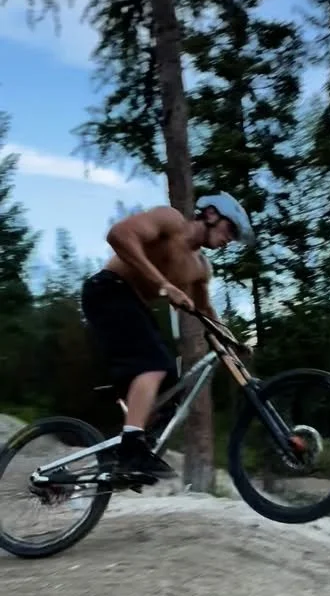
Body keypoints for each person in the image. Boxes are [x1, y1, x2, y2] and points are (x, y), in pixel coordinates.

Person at [81, 192, 254, 482]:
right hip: (107, 290)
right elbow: (118, 235)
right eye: (230, 229)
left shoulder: (200, 268)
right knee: (153, 364)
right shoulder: (170, 221)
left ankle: (129, 451)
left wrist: (232, 342)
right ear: (211, 214)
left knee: (171, 384)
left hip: (135, 305)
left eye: (234, 237)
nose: (230, 240)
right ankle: (131, 447)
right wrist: (165, 286)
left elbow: (205, 311)